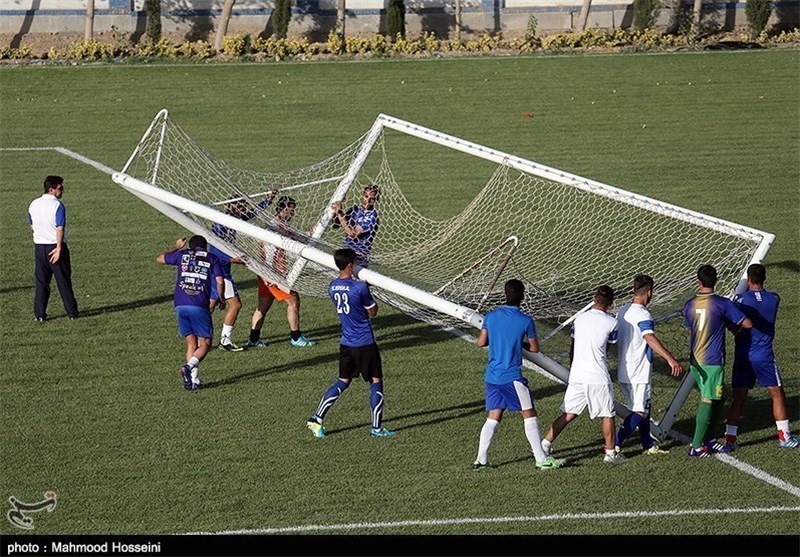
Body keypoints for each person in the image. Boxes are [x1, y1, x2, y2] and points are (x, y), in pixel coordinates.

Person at [472, 279, 565, 471]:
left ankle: (481, 460)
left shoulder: (491, 316)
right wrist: (519, 344)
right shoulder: (525, 321)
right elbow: (535, 348)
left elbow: (481, 343)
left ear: (504, 295)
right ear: (522, 297)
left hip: (492, 376)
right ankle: (541, 459)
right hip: (512, 377)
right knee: (529, 413)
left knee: (494, 416)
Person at [306, 248, 396, 438]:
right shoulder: (359, 287)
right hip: (365, 342)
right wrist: (367, 289)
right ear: (350, 265)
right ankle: (377, 428)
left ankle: (316, 418)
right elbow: (373, 312)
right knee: (376, 382)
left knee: (342, 381)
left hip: (346, 342)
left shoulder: (332, 286)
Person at [542, 285, 623, 463]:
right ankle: (610, 453)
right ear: (610, 303)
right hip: (598, 376)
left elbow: (573, 347)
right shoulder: (612, 323)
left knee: (569, 413)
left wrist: (573, 369)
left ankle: (545, 445)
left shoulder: (579, 320)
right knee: (607, 414)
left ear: (594, 300)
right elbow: (609, 346)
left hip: (578, 374)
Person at [723, 264, 798, 450]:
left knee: (738, 398)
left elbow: (731, 321)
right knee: (777, 395)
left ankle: (730, 440)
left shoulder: (739, 299)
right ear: (764, 278)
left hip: (743, 355)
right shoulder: (774, 298)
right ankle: (784, 436)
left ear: (748, 279)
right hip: (764, 355)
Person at [682, 264, 752, 457]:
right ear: (716, 281)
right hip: (711, 360)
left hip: (695, 360)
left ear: (698, 281)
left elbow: (690, 329)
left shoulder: (689, 304)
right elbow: (747, 323)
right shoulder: (722, 303)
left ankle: (710, 439)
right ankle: (696, 447)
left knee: (719, 397)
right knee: (708, 399)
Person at [614, 274, 683, 456]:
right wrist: (670, 358)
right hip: (639, 372)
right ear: (650, 292)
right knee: (640, 412)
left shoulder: (623, 310)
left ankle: (648, 444)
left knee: (643, 406)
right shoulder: (644, 314)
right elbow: (649, 338)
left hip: (624, 369)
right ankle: (615, 443)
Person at [208, 191, 276, 352]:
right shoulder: (221, 224)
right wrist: (232, 259)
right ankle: (225, 340)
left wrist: (268, 200)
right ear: (230, 206)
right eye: (239, 205)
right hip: (221, 271)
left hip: (219, 268)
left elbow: (251, 214)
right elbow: (214, 247)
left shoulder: (235, 219)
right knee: (235, 305)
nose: (242, 208)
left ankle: (199, 336)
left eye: (243, 205)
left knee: (211, 305)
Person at [248, 196, 316, 348]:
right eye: (291, 210)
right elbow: (269, 254)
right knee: (293, 301)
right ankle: (296, 337)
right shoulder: (272, 229)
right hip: (273, 274)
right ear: (283, 209)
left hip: (267, 274)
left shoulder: (282, 226)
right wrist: (269, 276)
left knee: (263, 307)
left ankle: (253, 340)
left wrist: (311, 232)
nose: (293, 213)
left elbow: (297, 238)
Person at [157, 235, 224, 391]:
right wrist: (220, 298)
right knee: (205, 344)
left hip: (180, 304)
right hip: (199, 304)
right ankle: (188, 368)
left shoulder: (182, 255)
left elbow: (160, 258)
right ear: (205, 246)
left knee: (191, 343)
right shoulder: (212, 258)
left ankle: (193, 381)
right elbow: (220, 281)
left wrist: (178, 248)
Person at [28, 175, 78, 321]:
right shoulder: (57, 205)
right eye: (60, 188)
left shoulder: (34, 204)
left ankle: (39, 314)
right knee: (63, 281)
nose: (62, 191)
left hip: (39, 247)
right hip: (54, 246)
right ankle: (72, 313)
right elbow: (60, 228)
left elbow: (32, 224)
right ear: (51, 189)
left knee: (41, 282)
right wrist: (59, 248)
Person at [331, 184, 380, 266]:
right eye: (366, 196)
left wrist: (339, 213)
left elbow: (352, 233)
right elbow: (336, 224)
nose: (368, 200)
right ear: (362, 195)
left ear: (376, 200)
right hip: (346, 252)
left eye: (372, 199)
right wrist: (337, 211)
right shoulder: (355, 209)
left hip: (359, 257)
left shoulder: (373, 216)